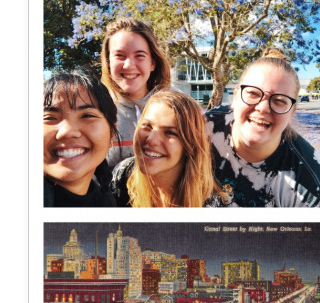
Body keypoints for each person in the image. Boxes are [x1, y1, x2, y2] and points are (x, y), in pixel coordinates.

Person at [206, 48, 320, 207]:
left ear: (292, 112)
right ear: (235, 97)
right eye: (253, 93)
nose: (263, 108)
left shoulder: (311, 185)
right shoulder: (202, 128)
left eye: (279, 100)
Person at [111, 91, 223, 207]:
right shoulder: (122, 175)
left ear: (190, 145)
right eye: (147, 126)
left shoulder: (209, 204)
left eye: (170, 133)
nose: (151, 140)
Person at [101, 17, 171, 168]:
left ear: (152, 63)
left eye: (139, 55)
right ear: (108, 62)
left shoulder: (176, 108)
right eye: (119, 55)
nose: (129, 65)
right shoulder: (96, 111)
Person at [43, 69, 118, 207]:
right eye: (49, 118)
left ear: (112, 134)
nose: (67, 132)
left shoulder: (107, 203)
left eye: (87, 116)